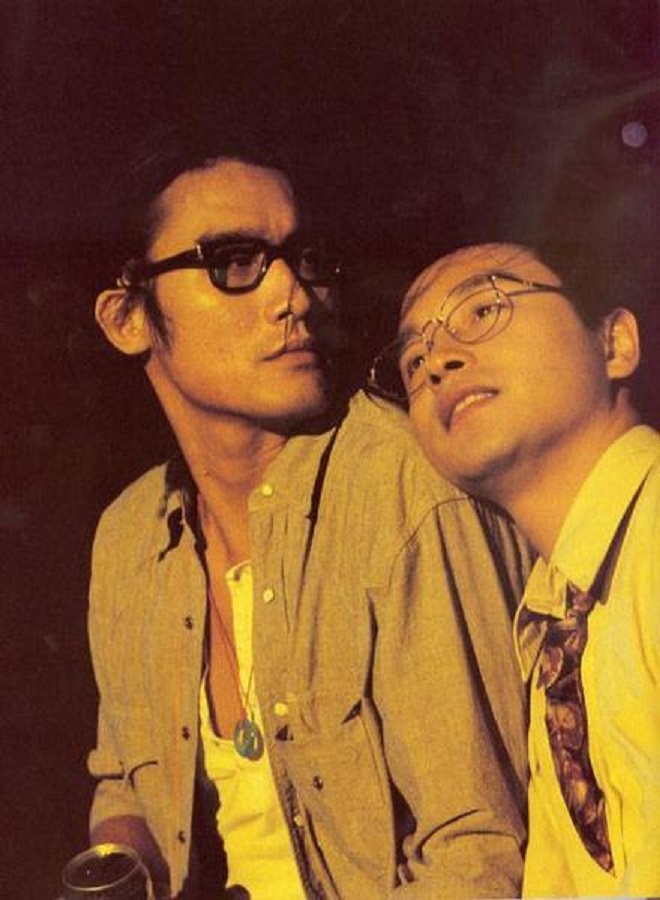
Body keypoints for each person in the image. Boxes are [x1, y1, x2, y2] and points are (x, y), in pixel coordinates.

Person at [87, 144, 532, 900]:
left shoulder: (407, 494)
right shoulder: (129, 538)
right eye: (233, 262)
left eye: (304, 259)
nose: (292, 295)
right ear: (128, 319)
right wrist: (119, 860)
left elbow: (485, 861)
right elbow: (124, 785)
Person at [371, 239, 660, 897]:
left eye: (483, 310)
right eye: (413, 361)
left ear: (614, 343)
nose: (437, 362)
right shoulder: (551, 629)